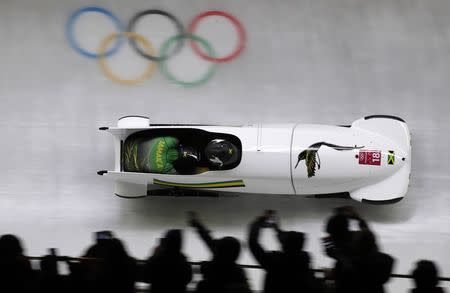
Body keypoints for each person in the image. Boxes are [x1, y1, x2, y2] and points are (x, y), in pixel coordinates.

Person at [248, 210, 318, 293]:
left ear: (284, 244)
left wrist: (257, 223)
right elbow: (290, 243)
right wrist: (276, 229)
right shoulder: (304, 259)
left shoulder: (274, 261)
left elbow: (253, 243)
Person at [188, 212, 251, 293]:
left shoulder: (209, 271)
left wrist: (197, 225)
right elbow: (211, 243)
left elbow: (210, 242)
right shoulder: (239, 274)